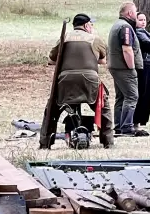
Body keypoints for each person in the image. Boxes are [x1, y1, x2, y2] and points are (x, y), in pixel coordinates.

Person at [43, 13, 112, 148]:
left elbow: (51, 60)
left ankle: (45, 141)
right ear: (86, 25)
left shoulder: (64, 38)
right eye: (91, 24)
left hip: (65, 81)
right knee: (104, 108)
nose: (92, 27)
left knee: (51, 109)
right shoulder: (95, 38)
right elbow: (103, 60)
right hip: (89, 81)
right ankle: (107, 141)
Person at [107, 1, 144, 135]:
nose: (136, 13)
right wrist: (131, 67)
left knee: (121, 97)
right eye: (135, 11)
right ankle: (127, 127)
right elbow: (127, 49)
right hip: (124, 68)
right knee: (132, 96)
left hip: (115, 66)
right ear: (129, 13)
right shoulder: (125, 27)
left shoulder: (116, 25)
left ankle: (119, 126)